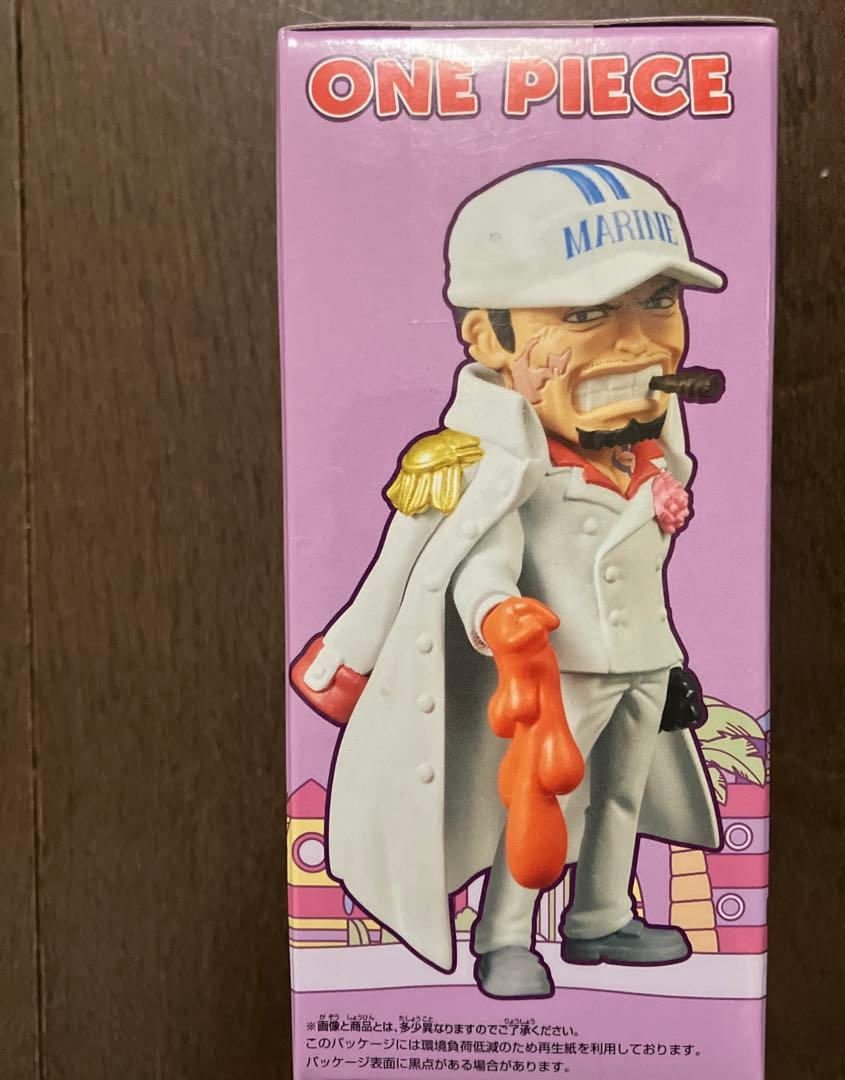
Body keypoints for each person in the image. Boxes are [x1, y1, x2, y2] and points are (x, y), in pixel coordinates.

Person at [291, 161, 726, 999]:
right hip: (556, 673)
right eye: (586, 313)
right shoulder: (493, 470)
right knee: (542, 800)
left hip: (642, 659)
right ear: (488, 338)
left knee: (622, 794)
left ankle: (601, 916)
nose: (637, 341)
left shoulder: (650, 448)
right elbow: (475, 562)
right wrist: (500, 614)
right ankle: (504, 936)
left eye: (660, 301)